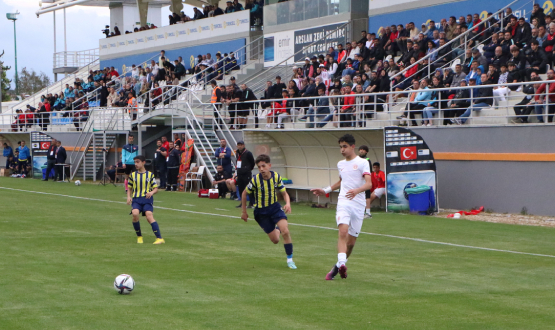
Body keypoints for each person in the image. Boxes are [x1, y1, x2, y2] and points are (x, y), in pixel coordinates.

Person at [311, 134, 372, 280]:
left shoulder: (363, 163)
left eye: (344, 146)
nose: (342, 150)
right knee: (343, 232)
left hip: (358, 205)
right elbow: (341, 181)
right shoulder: (340, 164)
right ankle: (343, 263)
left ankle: (337, 267)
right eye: (340, 147)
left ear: (352, 146)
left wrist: (356, 191)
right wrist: (325, 190)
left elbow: (369, 184)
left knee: (350, 244)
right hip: (344, 201)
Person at [241, 154, 296, 270]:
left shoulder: (276, 176)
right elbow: (244, 193)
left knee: (285, 231)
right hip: (261, 213)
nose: (261, 169)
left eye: (263, 166)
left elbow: (284, 192)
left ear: (269, 166)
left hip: (275, 208)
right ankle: (277, 229)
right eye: (259, 167)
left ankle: (290, 259)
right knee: (275, 240)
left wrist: (288, 203)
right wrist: (244, 212)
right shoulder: (255, 180)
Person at [127, 155, 165, 245]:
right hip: (136, 199)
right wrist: (129, 197)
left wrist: (151, 192)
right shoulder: (133, 175)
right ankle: (139, 236)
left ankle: (159, 238)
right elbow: (129, 188)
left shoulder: (150, 175)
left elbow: (155, 188)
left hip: (147, 199)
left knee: (149, 216)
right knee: (135, 214)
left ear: (143, 162)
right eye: (135, 162)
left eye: (138, 162)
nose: (136, 164)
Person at [235, 141, 255, 208]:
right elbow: (237, 161)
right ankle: (242, 203)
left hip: (246, 173)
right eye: (238, 145)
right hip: (239, 172)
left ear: (243, 145)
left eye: (241, 145)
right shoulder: (237, 153)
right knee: (241, 188)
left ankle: (251, 203)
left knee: (249, 188)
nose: (240, 146)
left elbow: (252, 162)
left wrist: (248, 169)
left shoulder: (248, 153)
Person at [358, 145, 372, 218]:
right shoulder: (356, 159)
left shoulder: (367, 160)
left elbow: (369, 172)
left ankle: (368, 212)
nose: (361, 151)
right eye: (360, 149)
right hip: (358, 182)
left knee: (367, 196)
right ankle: (360, 211)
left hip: (365, 181)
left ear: (366, 151)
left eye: (363, 149)